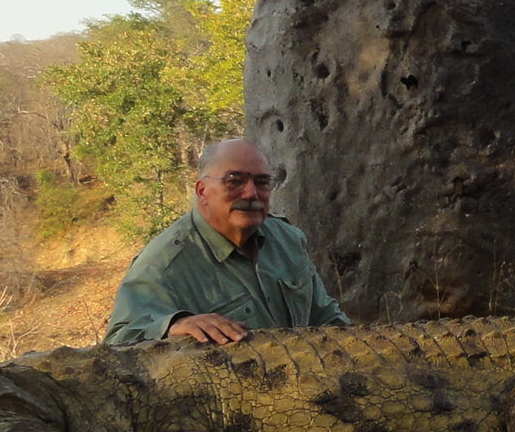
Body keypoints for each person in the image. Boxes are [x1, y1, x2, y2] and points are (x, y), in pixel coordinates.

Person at [103, 138, 349, 345]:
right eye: (234, 181)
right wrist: (174, 326)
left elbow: (325, 317)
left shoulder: (287, 239)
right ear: (202, 191)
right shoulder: (163, 263)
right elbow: (118, 341)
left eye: (262, 183)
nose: (251, 193)